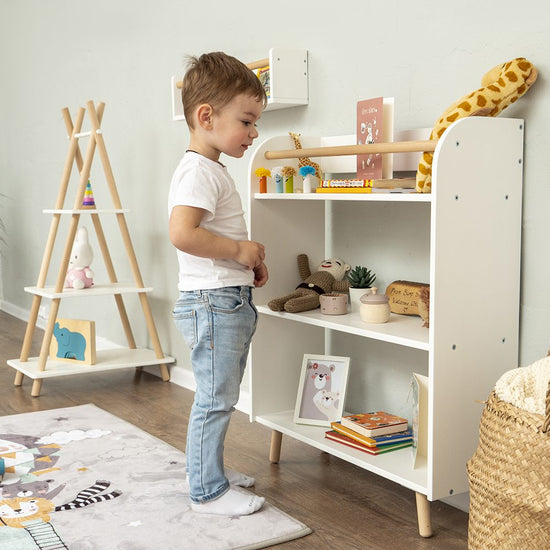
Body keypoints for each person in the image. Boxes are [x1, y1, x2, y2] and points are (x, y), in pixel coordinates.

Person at [168, 52, 269, 516]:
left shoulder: (210, 169)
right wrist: (236, 253)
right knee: (215, 398)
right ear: (206, 116)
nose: (254, 133)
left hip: (224, 296)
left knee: (221, 395)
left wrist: (245, 262)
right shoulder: (198, 171)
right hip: (214, 302)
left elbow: (215, 234)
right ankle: (206, 491)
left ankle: (211, 471)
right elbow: (183, 234)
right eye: (247, 121)